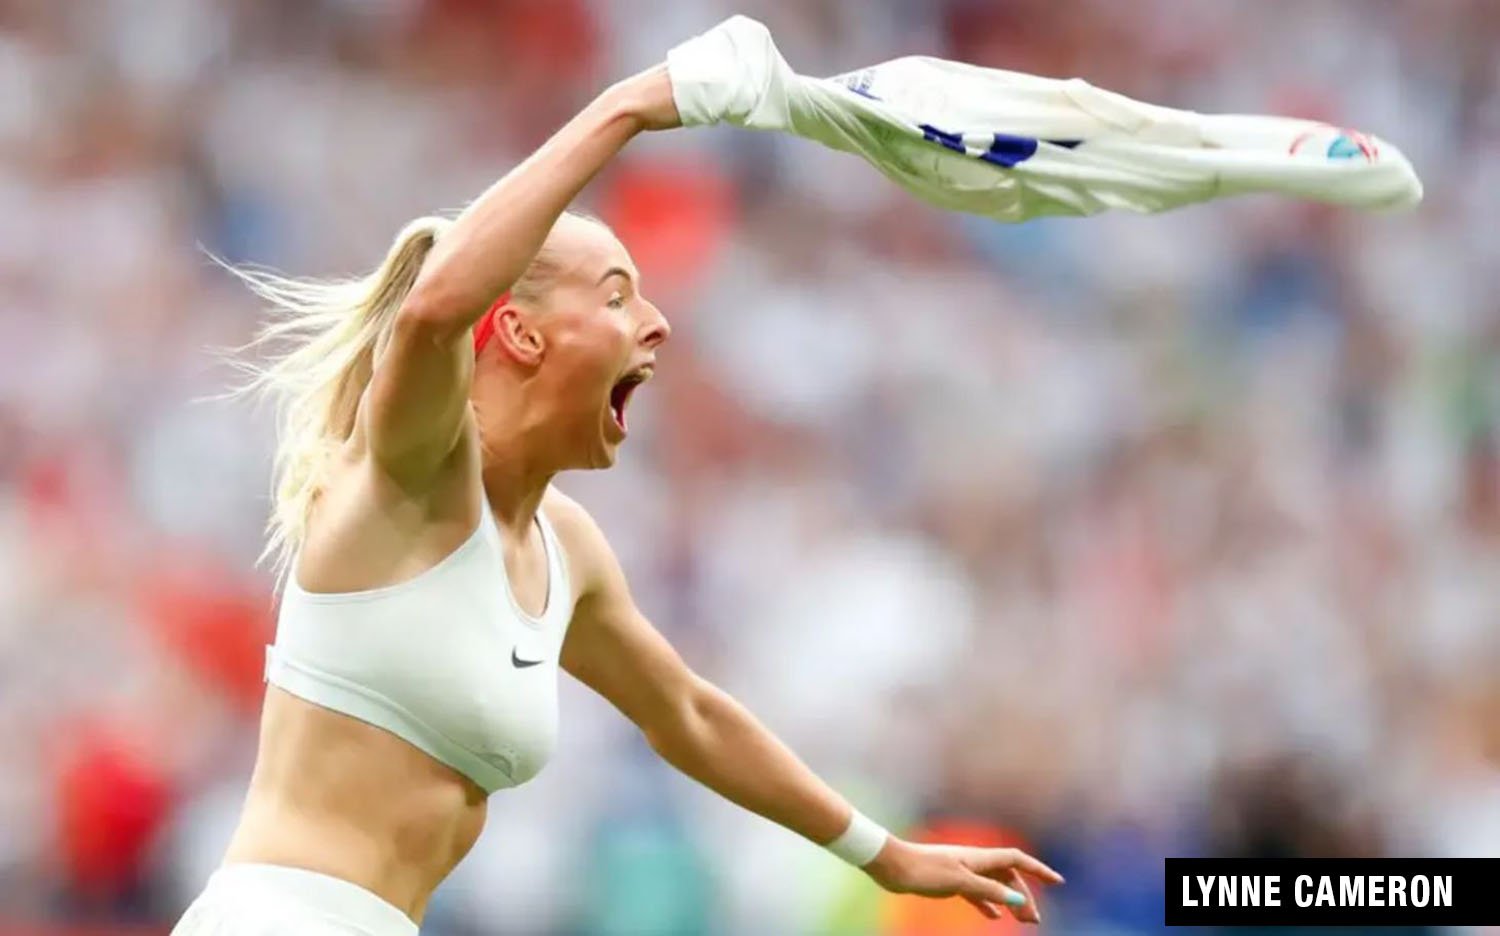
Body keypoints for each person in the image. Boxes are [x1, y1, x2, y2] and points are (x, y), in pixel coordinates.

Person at [173, 56, 1062, 936]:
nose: (658, 322)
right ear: (518, 332)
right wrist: (632, 107)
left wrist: (887, 855)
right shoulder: (415, 474)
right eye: (616, 296)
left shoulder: (567, 550)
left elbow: (688, 715)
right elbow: (434, 311)